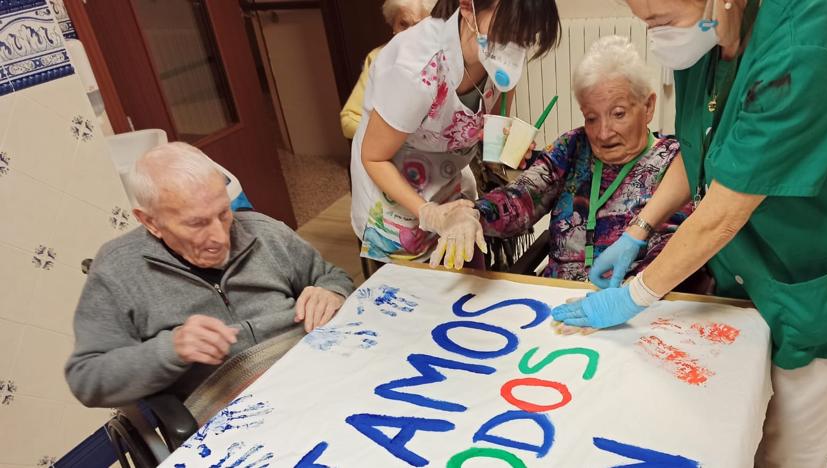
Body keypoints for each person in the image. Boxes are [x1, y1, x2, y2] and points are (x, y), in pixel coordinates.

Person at [552, 1, 827, 466]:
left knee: (787, 449)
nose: (656, 36)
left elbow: (725, 211)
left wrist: (634, 295)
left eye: (660, 21)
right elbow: (700, 145)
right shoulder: (706, 37)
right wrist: (640, 229)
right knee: (734, 427)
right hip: (752, 272)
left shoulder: (805, 44)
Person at [65, 143, 354, 408]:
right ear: (150, 222)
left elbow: (331, 276)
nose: (220, 237)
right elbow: (87, 380)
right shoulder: (117, 271)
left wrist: (331, 290)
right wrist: (171, 349)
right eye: (197, 223)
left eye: (223, 213)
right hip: (232, 409)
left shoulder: (265, 231)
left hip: (314, 374)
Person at [434, 36, 689, 281]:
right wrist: (473, 214)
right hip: (556, 295)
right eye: (591, 117)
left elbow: (672, 250)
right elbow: (521, 198)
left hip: (627, 302)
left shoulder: (673, 161)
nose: (602, 132)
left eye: (618, 114)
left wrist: (630, 293)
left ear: (648, 107)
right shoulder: (573, 146)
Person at [350, 0, 561, 268]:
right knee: (414, 299)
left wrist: (501, 145)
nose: (515, 45)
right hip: (393, 195)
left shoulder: (500, 61)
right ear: (467, 8)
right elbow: (374, 158)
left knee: (468, 282)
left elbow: (482, 123)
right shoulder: (415, 68)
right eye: (508, 30)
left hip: (448, 180)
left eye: (526, 36)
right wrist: (429, 213)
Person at [339, 0, 438, 139]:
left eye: (419, 26)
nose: (410, 34)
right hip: (391, 152)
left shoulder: (446, 57)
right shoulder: (378, 58)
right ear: (393, 25)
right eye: (403, 24)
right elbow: (349, 121)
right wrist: (392, 138)